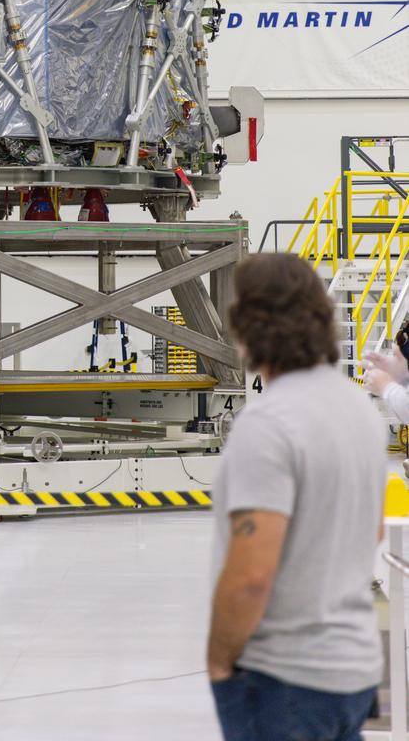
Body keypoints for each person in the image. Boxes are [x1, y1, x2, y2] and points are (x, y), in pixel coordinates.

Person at [207, 253, 386, 741]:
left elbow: (251, 576)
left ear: (246, 326)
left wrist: (219, 661)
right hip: (354, 669)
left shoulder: (268, 424)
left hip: (284, 679)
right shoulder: (360, 411)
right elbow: (371, 531)